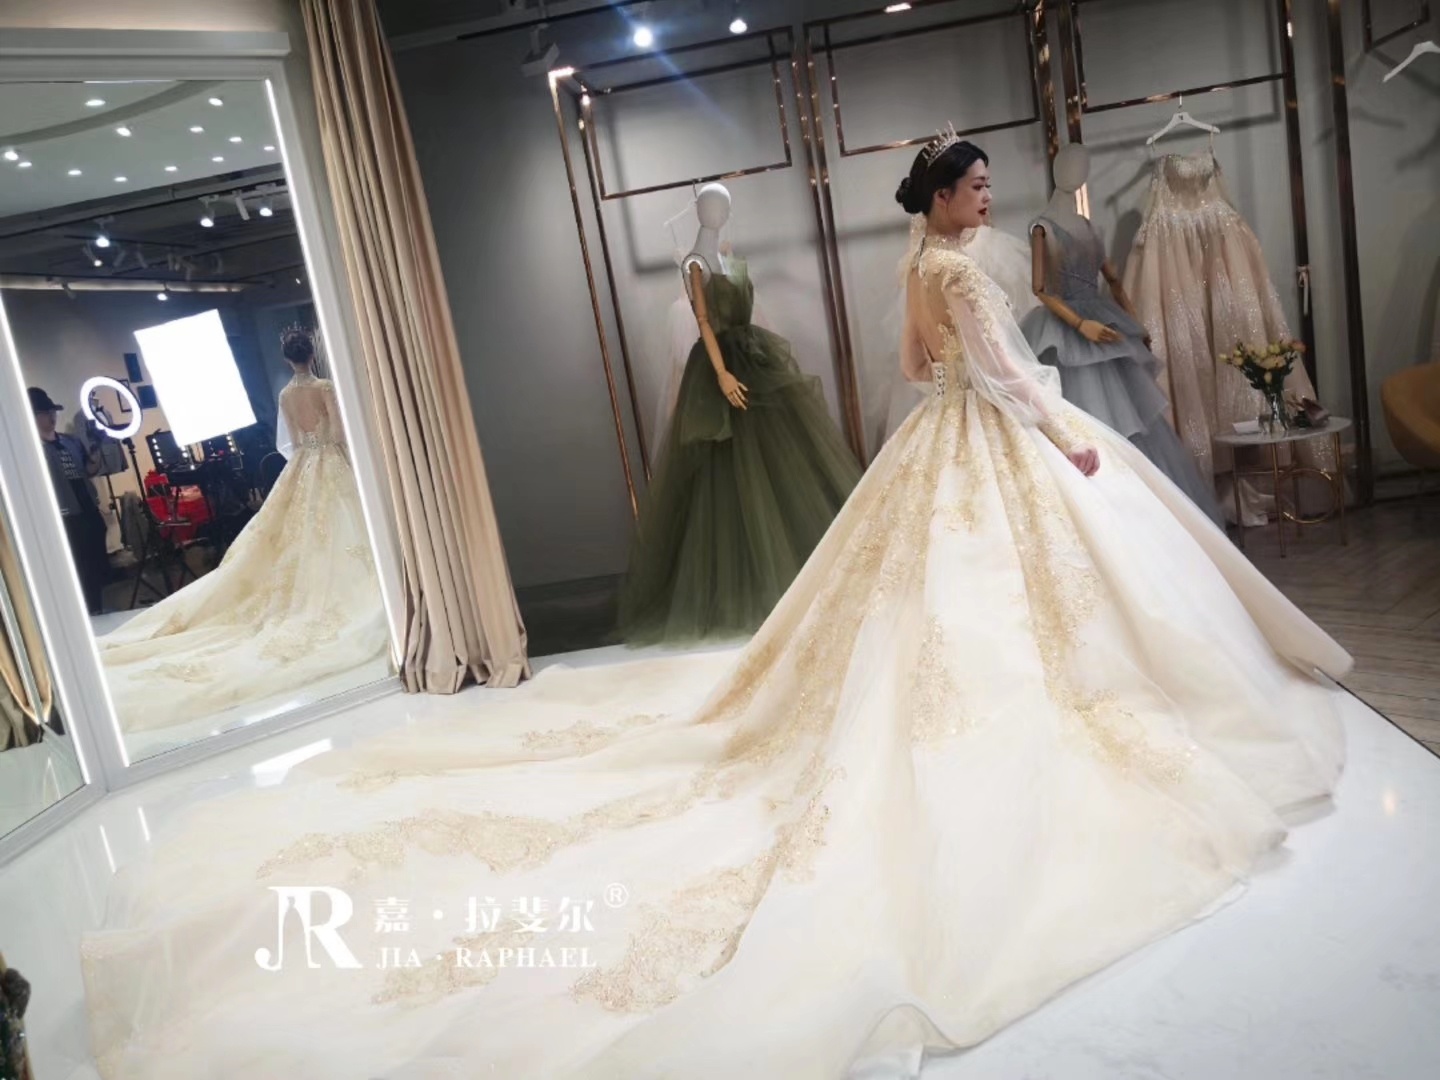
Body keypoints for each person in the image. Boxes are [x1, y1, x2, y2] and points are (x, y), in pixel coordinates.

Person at [80, 139, 1350, 1078]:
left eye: (979, 188)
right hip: (996, 439)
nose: (983, 198)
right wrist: (1064, 436)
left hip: (939, 444)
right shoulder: (963, 271)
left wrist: (989, 395)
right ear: (944, 199)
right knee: (1011, 604)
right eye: (972, 187)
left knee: (925, 608)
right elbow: (1010, 373)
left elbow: (914, 371)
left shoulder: (920, 265)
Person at [95, 327, 389, 735]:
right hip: (330, 462)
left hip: (303, 465)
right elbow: (338, 432)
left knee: (298, 534)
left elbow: (291, 441)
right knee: (341, 526)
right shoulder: (323, 387)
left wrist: (312, 449)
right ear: (312, 354)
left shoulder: (286, 395)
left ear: (288, 359)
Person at [29, 387, 108, 615]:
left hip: (88, 507)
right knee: (79, 565)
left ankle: (97, 607)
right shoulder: (33, 449)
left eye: (52, 412)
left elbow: (89, 470)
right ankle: (85, 611)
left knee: (97, 561)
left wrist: (96, 448)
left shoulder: (70, 441)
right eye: (45, 413)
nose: (51, 417)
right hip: (65, 515)